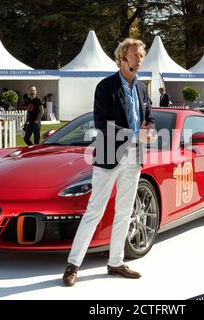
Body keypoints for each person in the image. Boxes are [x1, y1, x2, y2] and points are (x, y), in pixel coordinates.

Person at [62, 38, 155, 287]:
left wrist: (151, 128)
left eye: (141, 55)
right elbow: (102, 125)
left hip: (135, 157)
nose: (139, 59)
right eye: (135, 55)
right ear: (122, 58)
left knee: (125, 211)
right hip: (108, 156)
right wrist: (136, 134)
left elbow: (149, 114)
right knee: (95, 211)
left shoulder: (142, 87)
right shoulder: (105, 87)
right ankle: (73, 265)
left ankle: (115, 262)